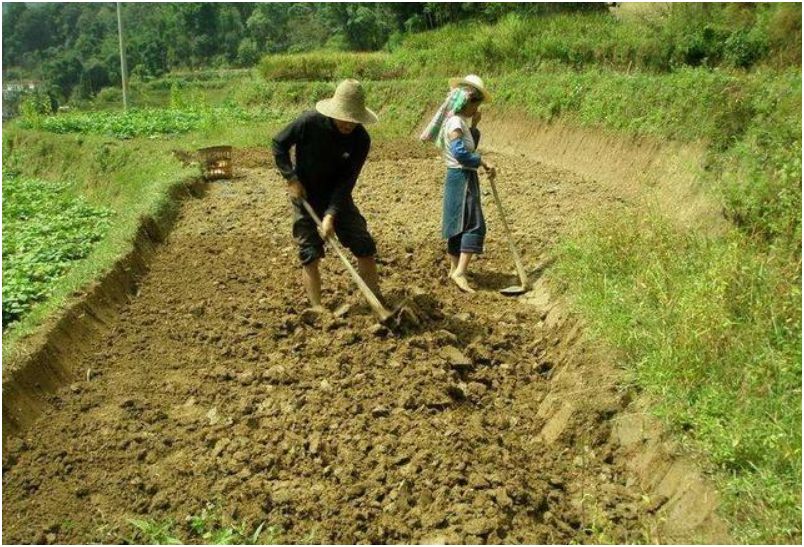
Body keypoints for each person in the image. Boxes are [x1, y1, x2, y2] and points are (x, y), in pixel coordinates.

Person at [272, 79, 381, 310]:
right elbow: (278, 144)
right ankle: (317, 308)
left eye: (353, 120)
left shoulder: (361, 140)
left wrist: (331, 214)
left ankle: (376, 302)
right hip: (306, 195)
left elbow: (346, 182)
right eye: (344, 118)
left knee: (363, 244)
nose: (348, 125)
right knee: (309, 252)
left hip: (338, 197)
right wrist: (291, 178)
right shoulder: (309, 122)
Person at [421, 74, 496, 293]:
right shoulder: (455, 122)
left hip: (456, 177)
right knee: (474, 224)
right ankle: (460, 272)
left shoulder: (458, 122)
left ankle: (454, 269)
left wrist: (474, 125)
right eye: (477, 104)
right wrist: (483, 161)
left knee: (457, 224)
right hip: (463, 177)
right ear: (469, 102)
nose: (477, 108)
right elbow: (461, 153)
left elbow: (467, 145)